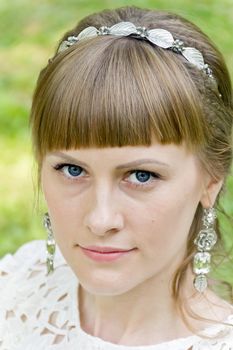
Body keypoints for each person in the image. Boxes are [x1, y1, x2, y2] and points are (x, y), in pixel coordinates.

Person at [0, 5, 233, 349]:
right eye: (73, 170)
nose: (100, 220)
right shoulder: (14, 291)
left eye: (140, 175)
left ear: (211, 179)